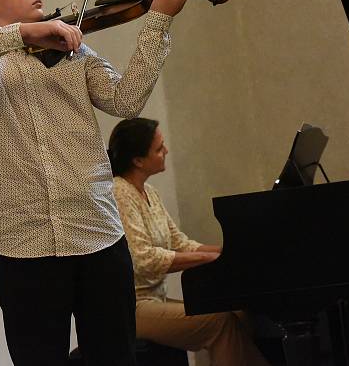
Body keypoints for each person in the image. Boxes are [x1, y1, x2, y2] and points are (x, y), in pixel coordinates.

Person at [0, 0, 191, 366]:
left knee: (115, 358)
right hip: (23, 247)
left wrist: (158, 21)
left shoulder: (76, 54)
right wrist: (25, 33)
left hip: (98, 235)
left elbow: (126, 100)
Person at [108, 118, 271, 366]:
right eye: (159, 148)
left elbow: (181, 244)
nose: (166, 151)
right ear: (138, 160)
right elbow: (143, 260)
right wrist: (213, 258)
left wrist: (230, 251)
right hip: (133, 307)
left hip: (156, 300)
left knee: (238, 312)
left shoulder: (150, 192)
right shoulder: (119, 191)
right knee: (219, 321)